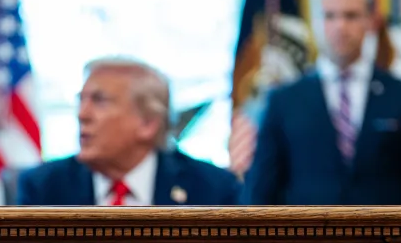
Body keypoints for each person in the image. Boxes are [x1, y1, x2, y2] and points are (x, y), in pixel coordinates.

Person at [246, 0, 401, 205]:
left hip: (384, 238)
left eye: (351, 16)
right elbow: (259, 196)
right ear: (314, 20)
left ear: (371, 20)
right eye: (329, 16)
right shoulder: (283, 101)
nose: (340, 26)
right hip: (309, 239)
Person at [17, 58, 242, 206]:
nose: (82, 114)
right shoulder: (43, 188)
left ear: (148, 123)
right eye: (81, 100)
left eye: (99, 101)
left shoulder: (213, 190)